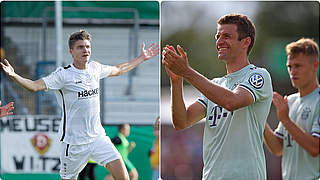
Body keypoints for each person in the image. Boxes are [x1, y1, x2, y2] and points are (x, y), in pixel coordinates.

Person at [0, 30, 159, 180]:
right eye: (80, 47)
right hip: (74, 144)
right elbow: (34, 86)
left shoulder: (95, 68)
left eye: (88, 46)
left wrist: (141, 58)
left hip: (98, 138)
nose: (85, 50)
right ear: (71, 51)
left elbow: (118, 69)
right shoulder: (63, 75)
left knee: (124, 177)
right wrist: (14, 75)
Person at [162, 13, 273, 179]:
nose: (219, 41)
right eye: (218, 36)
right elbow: (182, 121)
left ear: (246, 42)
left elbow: (231, 101)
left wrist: (186, 71)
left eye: (227, 36)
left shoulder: (258, 75)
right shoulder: (216, 84)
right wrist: (177, 81)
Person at [263, 38, 320, 180]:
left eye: (298, 66)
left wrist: (286, 120)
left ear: (315, 65)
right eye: (290, 67)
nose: (293, 72)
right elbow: (278, 148)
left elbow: (315, 148)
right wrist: (259, 118)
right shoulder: (291, 101)